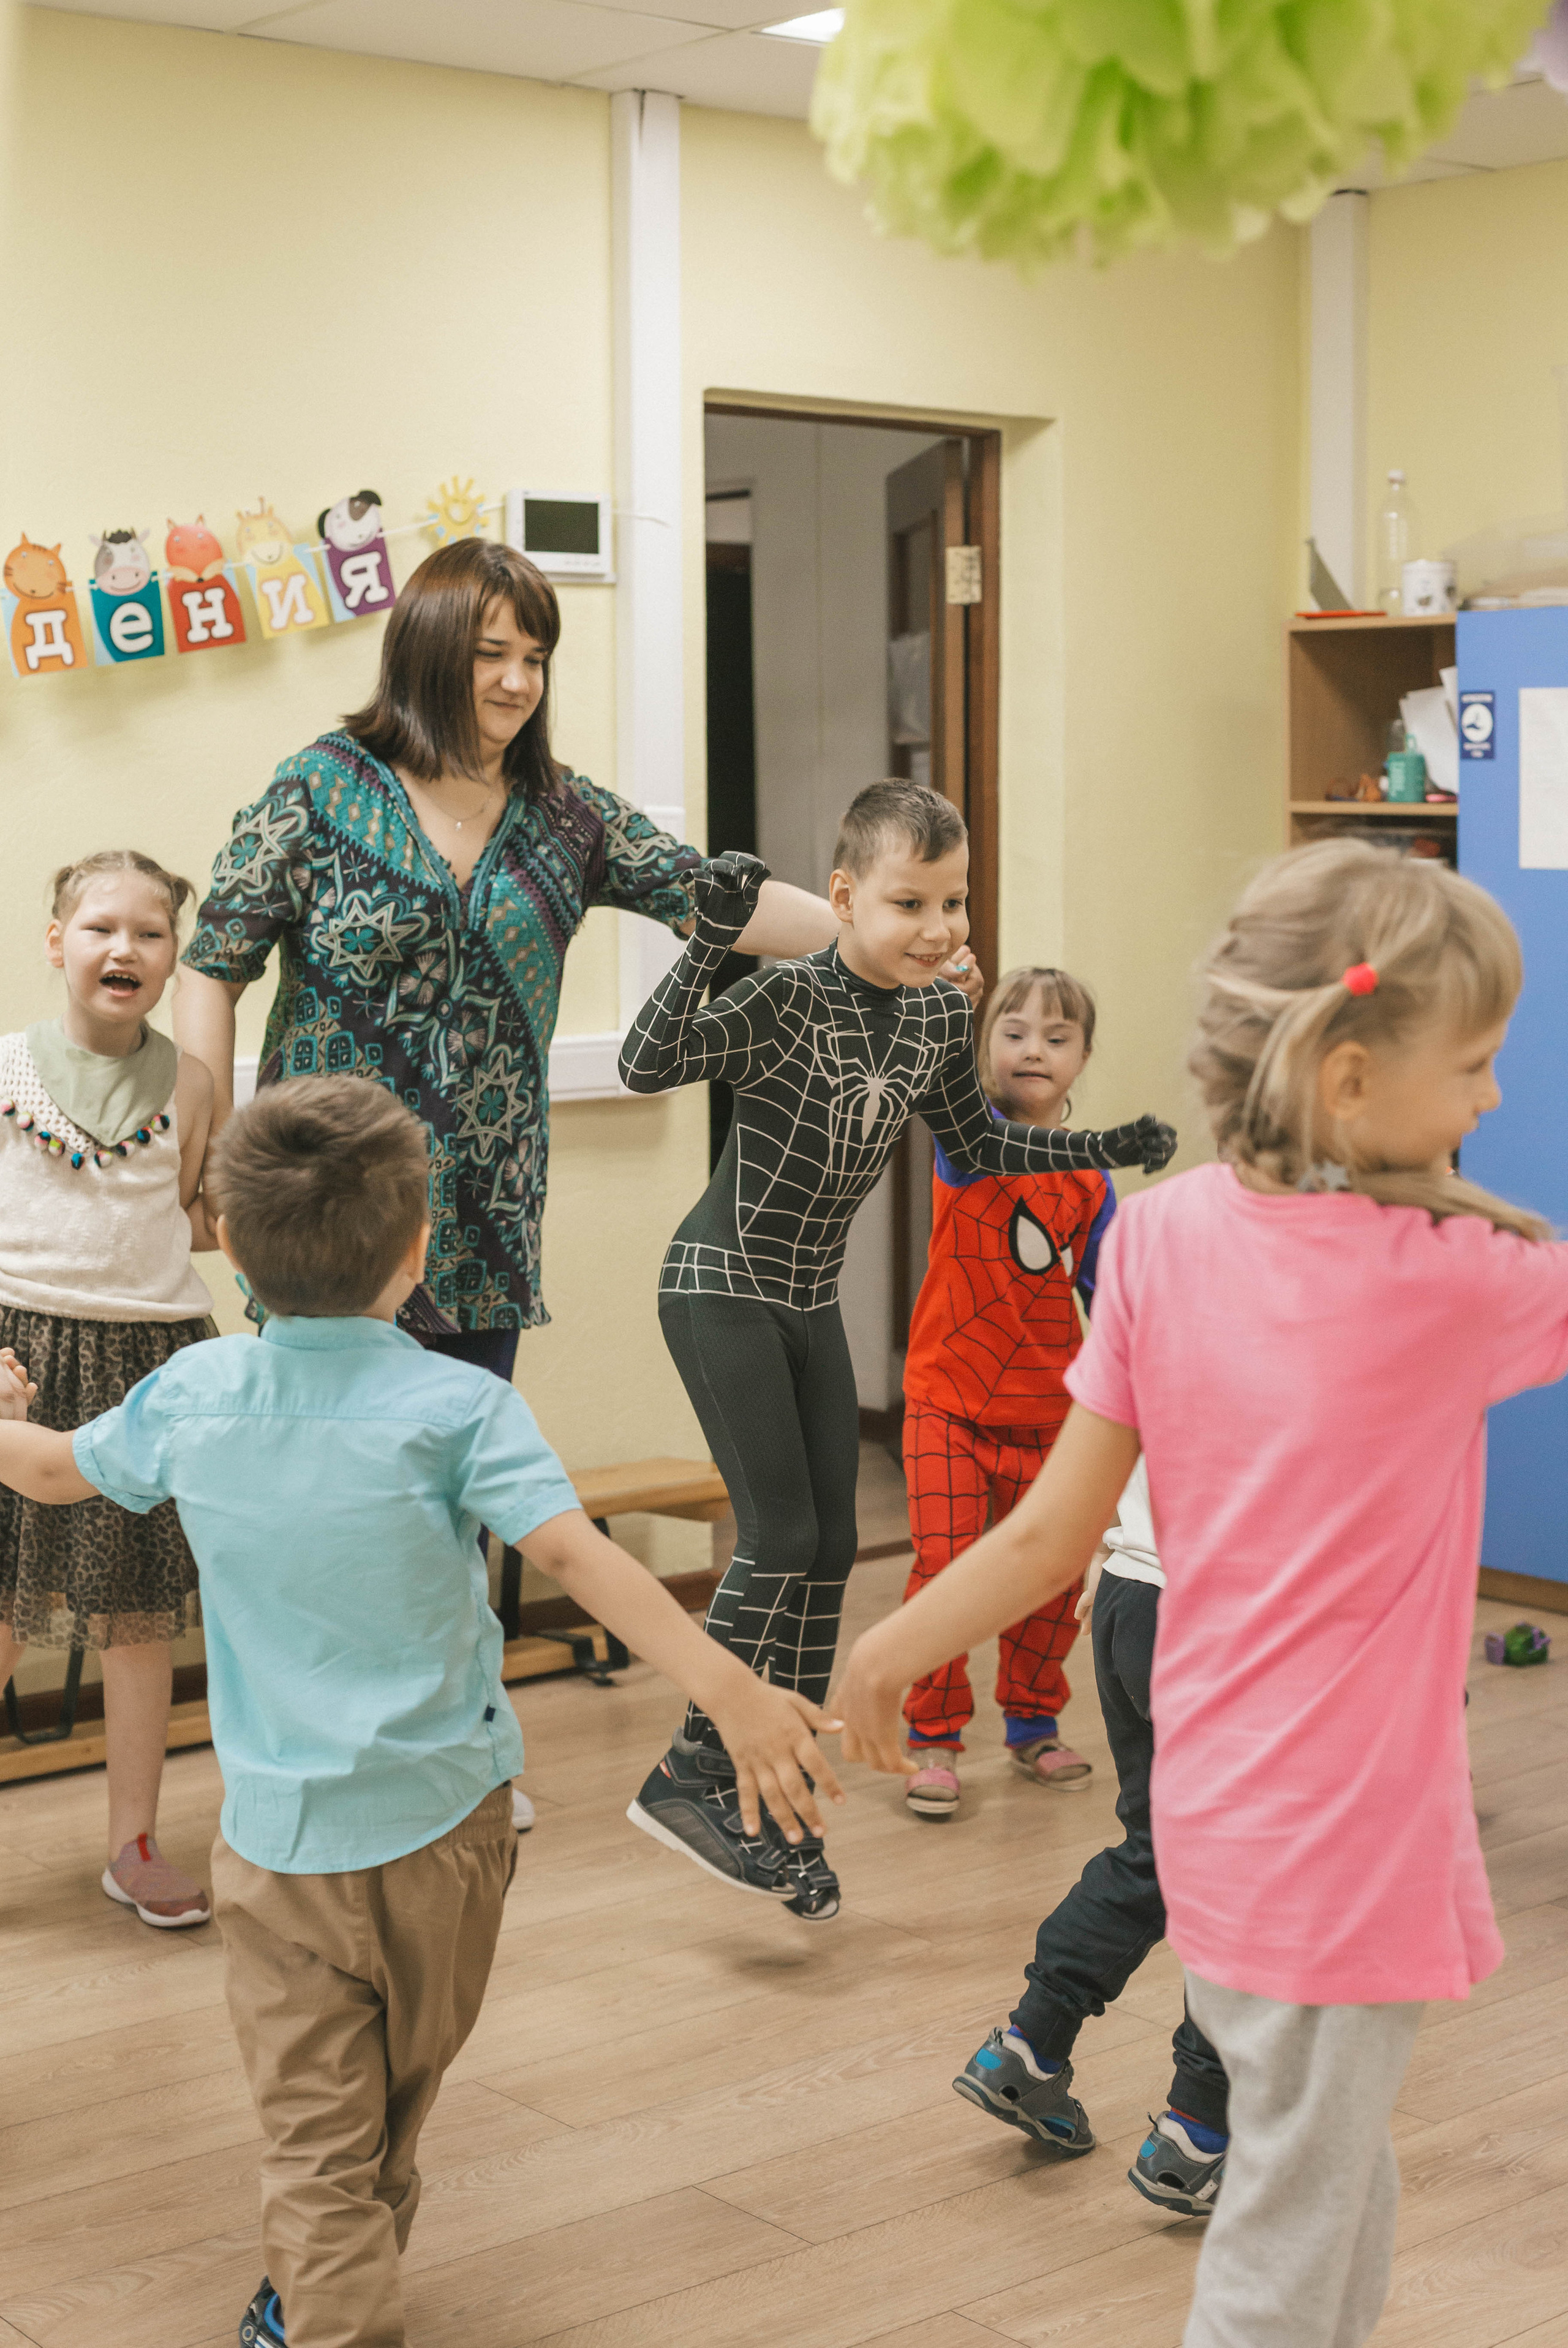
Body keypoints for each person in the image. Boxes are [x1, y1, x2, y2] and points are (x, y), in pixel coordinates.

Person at [831, 837, 1568, 2348]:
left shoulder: (1154, 1234)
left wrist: (881, 1651)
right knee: (1281, 2241)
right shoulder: (1448, 1271)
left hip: (1214, 1821)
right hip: (1346, 1843)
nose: (1493, 1098)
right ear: (1348, 1076)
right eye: (1476, 1062)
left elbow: (1051, 1534)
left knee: (1324, 2182)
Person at [0, 1074, 843, 2348]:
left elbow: (57, 1474)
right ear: (415, 1254)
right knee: (382, 2105)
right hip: (455, 1838)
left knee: (324, 2132)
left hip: (283, 1851)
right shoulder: (462, 1406)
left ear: (226, 1245)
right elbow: (581, 1559)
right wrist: (729, 1692)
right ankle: (330, 2280)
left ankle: (324, 2278)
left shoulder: (196, 1396)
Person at [619, 783, 1175, 1922]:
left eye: (956, 902)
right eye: (910, 901)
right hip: (719, 1284)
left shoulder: (930, 1019)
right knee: (777, 1538)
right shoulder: (784, 998)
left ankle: (775, 1814)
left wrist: (1103, 1145)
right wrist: (711, 942)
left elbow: (979, 1142)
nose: (940, 928)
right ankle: (690, 1767)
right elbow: (643, 1061)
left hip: (806, 1297)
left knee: (829, 1555)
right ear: (842, 897)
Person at [173, 536, 856, 1375]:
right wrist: (209, 1151)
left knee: (460, 1479)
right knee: (339, 1476)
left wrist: (874, 936)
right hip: (324, 1200)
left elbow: (714, 898)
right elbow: (213, 964)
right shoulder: (318, 789)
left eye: (536, 659)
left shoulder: (566, 814)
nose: (519, 681)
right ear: (427, 652)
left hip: (482, 1213)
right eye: (491, 654)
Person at [0, 849, 218, 1928]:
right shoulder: (3, 1068)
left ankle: (133, 1842)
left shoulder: (193, 1085)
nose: (124, 948)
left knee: (138, 1624)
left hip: (149, 1370)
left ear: (175, 956)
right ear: (57, 944)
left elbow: (178, 1210)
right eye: (100, 928)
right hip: (19, 1370)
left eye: (150, 932)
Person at [952, 1457, 1232, 2219]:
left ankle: (1028, 2048)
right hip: (1228, 1615)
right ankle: (1199, 2136)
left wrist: (1117, 1553)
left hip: (1133, 1589)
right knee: (1246, 1887)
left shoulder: (1151, 1325)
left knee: (1156, 1849)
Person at [900, 964, 1114, 1815]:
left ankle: (1032, 1723)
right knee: (946, 1568)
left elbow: (1108, 1299)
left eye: (1057, 1038)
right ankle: (934, 1736)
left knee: (1054, 1577)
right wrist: (949, 1002)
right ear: (985, 1049)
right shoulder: (968, 1141)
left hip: (1053, 1416)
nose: (1034, 1050)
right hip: (948, 1399)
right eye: (1013, 1031)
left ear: (1084, 1058)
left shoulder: (1093, 1179)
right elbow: (944, 1080)